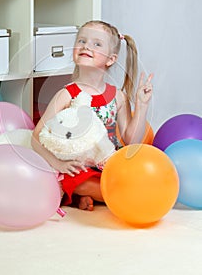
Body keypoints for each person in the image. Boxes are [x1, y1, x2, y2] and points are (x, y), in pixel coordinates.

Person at [32, 20, 153, 211]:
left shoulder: (118, 96)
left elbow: (132, 140)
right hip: (78, 167)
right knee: (81, 181)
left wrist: (142, 105)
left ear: (110, 59)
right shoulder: (67, 94)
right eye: (81, 41)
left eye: (97, 44)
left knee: (130, 175)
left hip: (108, 163)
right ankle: (107, 194)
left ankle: (87, 196)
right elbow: (36, 136)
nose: (86, 46)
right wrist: (59, 164)